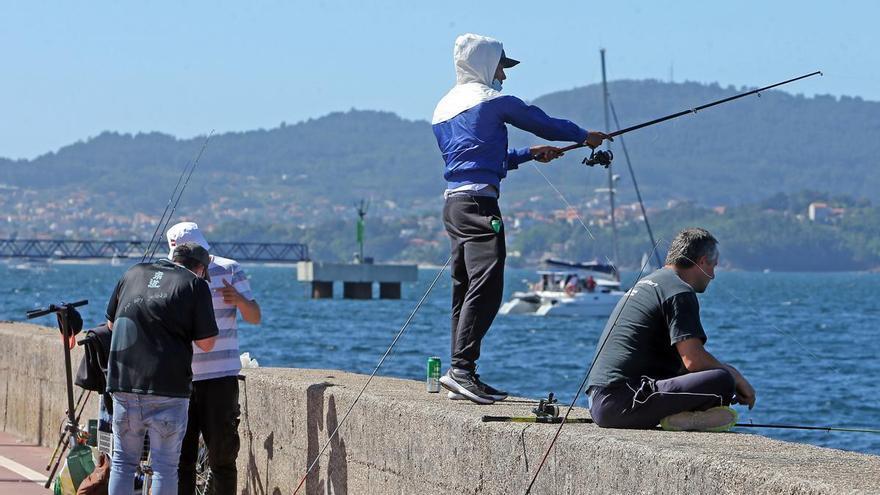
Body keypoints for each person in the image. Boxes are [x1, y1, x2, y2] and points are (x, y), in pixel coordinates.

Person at [432, 33, 609, 404]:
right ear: (484, 64)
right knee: (489, 279)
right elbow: (537, 119)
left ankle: (460, 373)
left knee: (464, 287)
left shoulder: (444, 109)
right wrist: (584, 135)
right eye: (500, 66)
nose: (504, 76)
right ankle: (462, 370)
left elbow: (477, 158)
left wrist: (529, 155)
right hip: (480, 205)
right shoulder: (492, 101)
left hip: (454, 205)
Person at [586, 228, 757, 431]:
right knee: (721, 380)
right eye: (713, 266)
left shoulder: (651, 282)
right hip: (621, 403)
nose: (713, 275)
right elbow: (694, 361)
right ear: (702, 262)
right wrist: (735, 375)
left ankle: (682, 416)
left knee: (711, 375)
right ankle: (687, 420)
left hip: (601, 400)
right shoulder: (679, 291)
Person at [105, 242, 219, 495]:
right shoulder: (195, 285)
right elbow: (207, 343)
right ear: (199, 268)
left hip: (124, 384)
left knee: (123, 464)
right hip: (168, 389)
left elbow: (111, 324)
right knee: (165, 468)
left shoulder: (132, 273)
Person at [165, 222, 262, 495]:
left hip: (220, 378)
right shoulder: (168, 272)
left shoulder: (229, 269)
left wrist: (240, 300)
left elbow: (255, 316)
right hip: (180, 379)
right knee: (180, 459)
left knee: (222, 457)